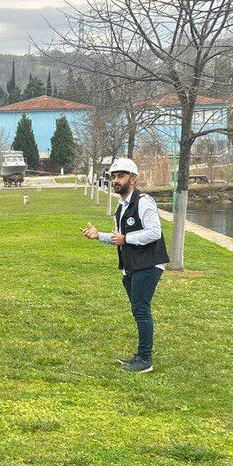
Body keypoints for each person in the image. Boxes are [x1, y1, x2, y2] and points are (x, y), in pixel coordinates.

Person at [82, 157, 169, 373]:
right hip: (131, 266)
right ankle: (140, 354)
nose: (116, 181)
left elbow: (154, 232)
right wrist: (98, 236)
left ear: (134, 180)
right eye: (114, 177)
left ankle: (145, 359)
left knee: (141, 310)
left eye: (121, 176)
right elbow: (119, 237)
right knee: (138, 310)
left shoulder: (144, 202)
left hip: (148, 264)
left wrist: (126, 239)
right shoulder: (122, 206)